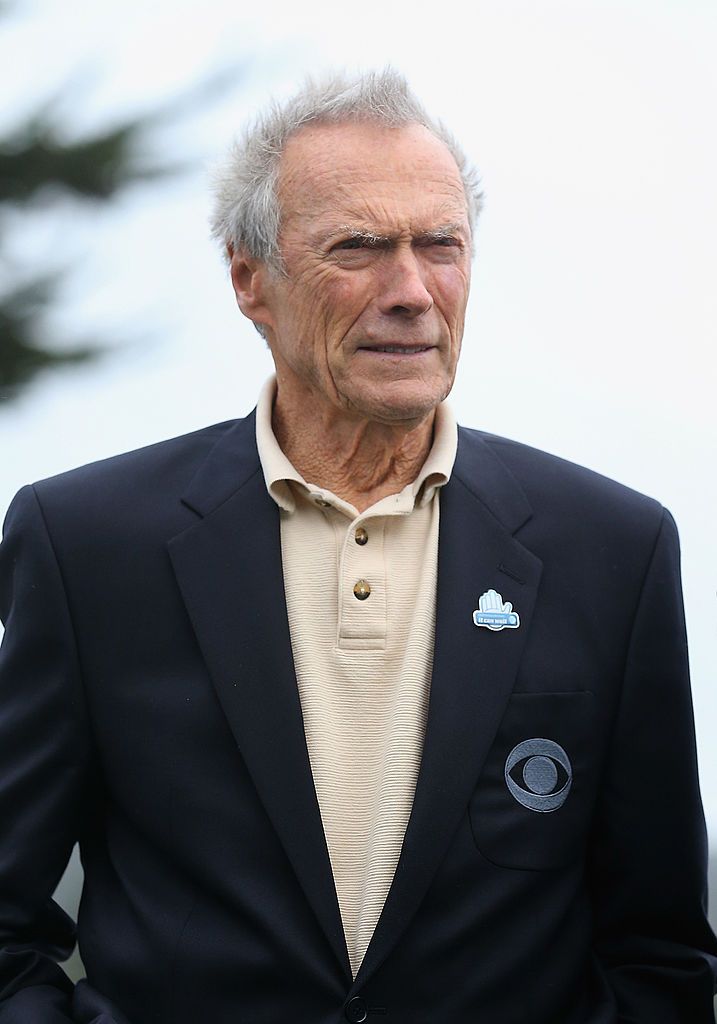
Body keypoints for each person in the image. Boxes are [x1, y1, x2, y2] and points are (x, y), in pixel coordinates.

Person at [0, 69, 715, 1024]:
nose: (412, 292)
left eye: (441, 246)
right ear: (250, 280)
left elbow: (660, 948)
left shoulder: (612, 549)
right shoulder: (88, 543)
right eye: (359, 248)